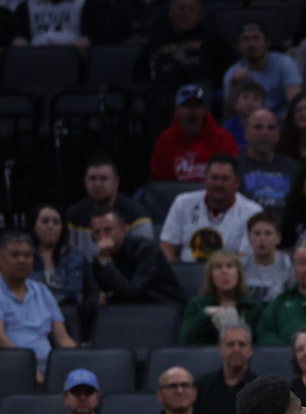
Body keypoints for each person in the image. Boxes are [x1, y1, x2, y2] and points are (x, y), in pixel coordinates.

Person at [159, 155, 263, 264]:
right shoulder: (183, 202)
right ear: (205, 179)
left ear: (236, 182)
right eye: (214, 178)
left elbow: (245, 260)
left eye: (225, 179)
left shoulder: (253, 212)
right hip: (187, 274)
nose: (218, 184)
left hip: (229, 276)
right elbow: (167, 246)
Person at [0, 232, 77, 379]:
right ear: (1, 259)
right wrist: (28, 370)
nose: (22, 260)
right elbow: (0, 338)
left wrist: (80, 361)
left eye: (27, 255)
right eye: (15, 255)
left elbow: (62, 338)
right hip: (9, 366)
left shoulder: (42, 291)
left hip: (49, 364)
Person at [63, 156, 154, 261]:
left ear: (116, 182)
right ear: (85, 182)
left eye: (103, 178)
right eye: (92, 179)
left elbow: (145, 258)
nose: (98, 184)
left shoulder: (137, 215)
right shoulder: (72, 216)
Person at [85, 210, 186, 304]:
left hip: (166, 308)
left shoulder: (147, 251)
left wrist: (106, 261)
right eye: (97, 232)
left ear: (123, 230)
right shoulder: (100, 258)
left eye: (108, 230)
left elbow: (131, 293)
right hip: (131, 313)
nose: (102, 237)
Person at [149, 85, 240, 182]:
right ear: (176, 112)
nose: (192, 111)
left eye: (197, 105)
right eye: (186, 105)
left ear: (204, 111)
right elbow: (158, 182)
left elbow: (233, 177)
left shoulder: (223, 138)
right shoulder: (165, 140)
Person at [178, 250, 265, 345]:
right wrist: (205, 314)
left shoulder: (253, 307)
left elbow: (261, 343)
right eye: (218, 267)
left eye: (230, 266)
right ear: (210, 276)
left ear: (239, 274)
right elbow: (184, 341)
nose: (224, 271)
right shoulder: (197, 304)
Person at [221, 21, 302, 118]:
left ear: (267, 43)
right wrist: (234, 86)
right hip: (248, 125)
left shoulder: (284, 63)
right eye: (246, 39)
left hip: (281, 122)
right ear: (239, 46)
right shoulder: (233, 73)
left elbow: (295, 103)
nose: (251, 44)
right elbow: (229, 115)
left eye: (256, 38)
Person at [238, 110, 301, 215]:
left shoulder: (294, 168)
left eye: (270, 128)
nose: (265, 133)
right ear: (246, 133)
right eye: (258, 127)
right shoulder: (234, 167)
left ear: (278, 135)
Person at [195, 324, 257, 414]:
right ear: (220, 350)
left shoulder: (262, 389)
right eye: (230, 344)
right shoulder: (202, 386)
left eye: (241, 344)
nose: (236, 349)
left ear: (250, 350)